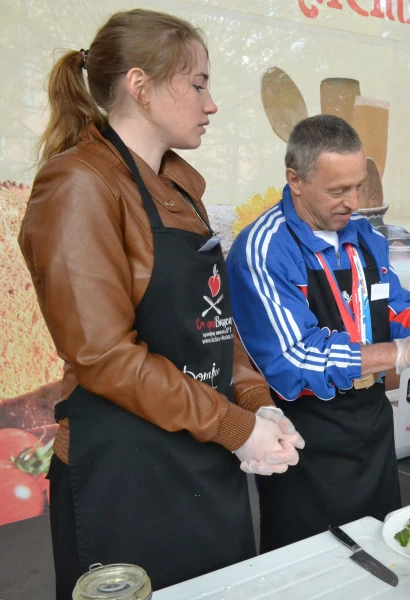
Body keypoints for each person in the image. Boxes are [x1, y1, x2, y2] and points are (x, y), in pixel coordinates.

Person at [18, 10, 303, 598]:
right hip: (128, 477)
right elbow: (103, 356)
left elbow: (214, 322)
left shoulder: (180, 188)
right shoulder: (78, 184)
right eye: (197, 84)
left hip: (206, 459)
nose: (212, 103)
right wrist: (233, 425)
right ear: (140, 87)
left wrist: (257, 405)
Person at [227, 115, 410, 550]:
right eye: (337, 190)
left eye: (358, 186)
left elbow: (392, 304)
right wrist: (401, 353)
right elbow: (296, 358)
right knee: (310, 568)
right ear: (296, 180)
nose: (353, 202)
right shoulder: (265, 248)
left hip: (371, 425)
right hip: (307, 436)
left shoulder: (364, 235)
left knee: (380, 553)